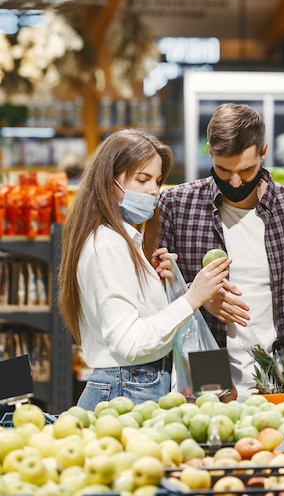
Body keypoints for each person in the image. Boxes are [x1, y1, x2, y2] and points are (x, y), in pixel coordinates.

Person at [159, 103, 284, 401]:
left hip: (281, 365)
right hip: (205, 361)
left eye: (247, 169)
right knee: (216, 438)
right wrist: (197, 298)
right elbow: (155, 286)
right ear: (210, 152)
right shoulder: (177, 205)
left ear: (263, 151)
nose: (236, 182)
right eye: (223, 170)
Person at [58, 128, 230, 410]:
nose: (153, 190)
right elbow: (129, 342)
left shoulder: (123, 243)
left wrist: (164, 287)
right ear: (108, 182)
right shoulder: (109, 245)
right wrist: (192, 298)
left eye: (157, 180)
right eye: (143, 179)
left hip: (134, 384)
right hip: (128, 388)